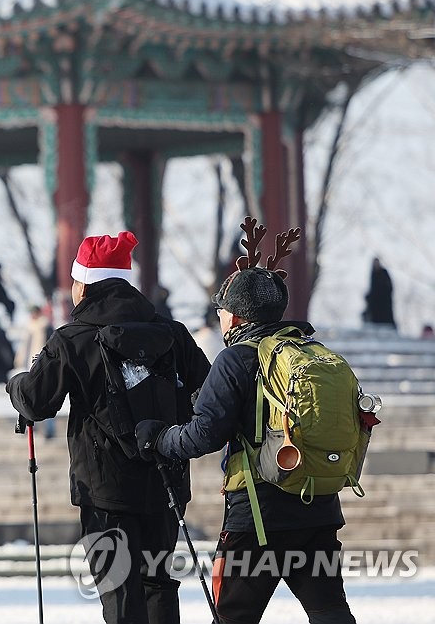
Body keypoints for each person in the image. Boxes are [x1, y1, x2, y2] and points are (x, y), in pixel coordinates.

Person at [136, 231, 359, 624]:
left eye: (222, 310)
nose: (220, 317)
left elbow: (204, 434)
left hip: (257, 516)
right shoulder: (313, 352)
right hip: (319, 507)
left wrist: (159, 438)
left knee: (233, 617)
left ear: (236, 316)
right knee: (330, 611)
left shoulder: (236, 358)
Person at [6, 230, 210, 624]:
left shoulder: (72, 340)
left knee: (119, 593)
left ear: (83, 284)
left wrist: (15, 382)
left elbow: (35, 400)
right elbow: (209, 395)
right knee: (159, 585)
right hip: (166, 482)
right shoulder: (173, 334)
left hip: (105, 491)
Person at [17, 304, 56, 438]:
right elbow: (24, 346)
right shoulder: (29, 327)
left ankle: (49, 429)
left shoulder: (46, 327)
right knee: (30, 397)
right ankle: (31, 427)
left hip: (44, 366)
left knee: (46, 396)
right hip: (30, 366)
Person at [362, 257, 396, 330]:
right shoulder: (373, 274)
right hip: (375, 305)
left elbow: (388, 287)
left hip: (384, 303)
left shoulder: (384, 273)